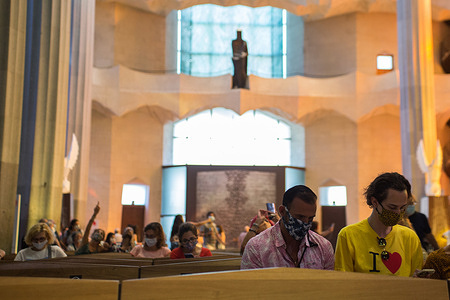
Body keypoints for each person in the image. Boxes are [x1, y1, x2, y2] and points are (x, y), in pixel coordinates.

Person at [335, 172, 423, 277]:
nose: (398, 213)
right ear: (374, 202)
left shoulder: (410, 237)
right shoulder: (349, 236)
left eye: (402, 207)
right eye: (392, 207)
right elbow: (344, 281)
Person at [241, 185, 334, 270]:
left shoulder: (323, 247)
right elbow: (250, 286)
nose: (305, 223)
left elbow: (330, 285)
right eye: (300, 217)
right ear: (282, 211)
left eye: (310, 218)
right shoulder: (257, 247)